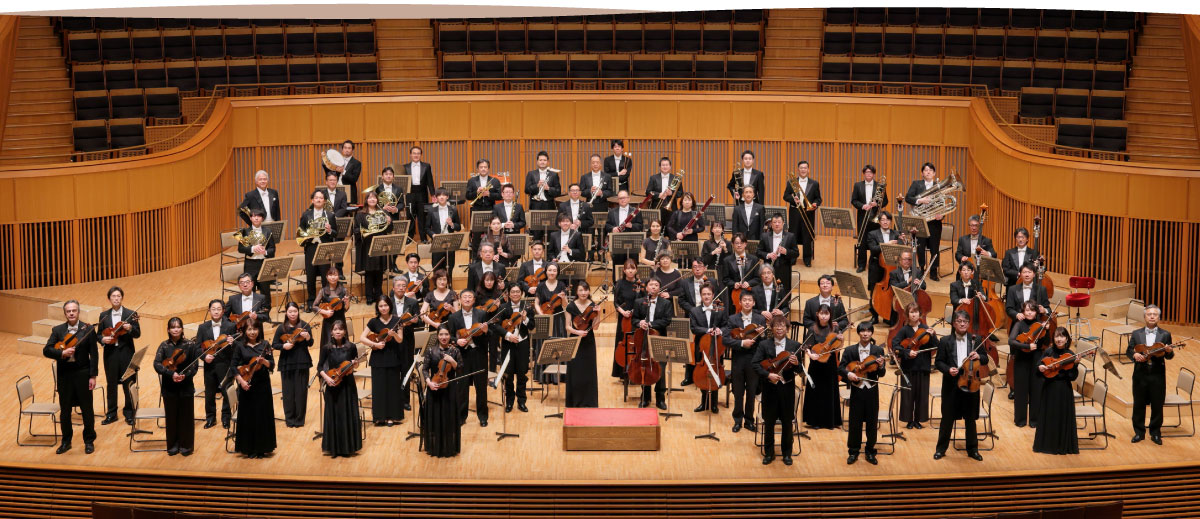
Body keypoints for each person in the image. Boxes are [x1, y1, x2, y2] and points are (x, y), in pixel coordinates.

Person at [43, 300, 98, 455]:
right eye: (69, 311)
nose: (72, 313)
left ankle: (89, 441)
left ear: (78, 312)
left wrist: (93, 376)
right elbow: (46, 350)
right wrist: (62, 353)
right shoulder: (57, 330)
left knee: (87, 409)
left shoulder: (88, 329)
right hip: (65, 375)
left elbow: (94, 354)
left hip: (83, 373)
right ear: (65, 313)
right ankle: (66, 441)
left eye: (74, 310)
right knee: (65, 411)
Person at [934, 311, 986, 461]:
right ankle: (941, 449)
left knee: (970, 420)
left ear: (968, 324)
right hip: (951, 385)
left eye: (965, 321)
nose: (962, 323)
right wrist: (948, 370)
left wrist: (979, 356)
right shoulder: (945, 341)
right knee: (947, 419)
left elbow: (985, 359)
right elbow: (938, 362)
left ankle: (973, 450)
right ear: (954, 323)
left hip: (971, 385)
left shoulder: (976, 340)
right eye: (959, 321)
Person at [752, 315, 800, 465]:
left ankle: (787, 454)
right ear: (772, 328)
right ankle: (769, 453)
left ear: (787, 328)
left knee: (787, 422)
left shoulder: (794, 345)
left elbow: (800, 370)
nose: (779, 328)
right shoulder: (764, 345)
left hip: (787, 389)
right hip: (770, 389)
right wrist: (768, 375)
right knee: (769, 422)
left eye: (782, 326)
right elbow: (755, 364)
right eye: (776, 326)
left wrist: (797, 363)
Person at [1127, 304, 1175, 445]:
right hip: (1140, 375)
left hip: (1157, 375)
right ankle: (1139, 432)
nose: (1152, 316)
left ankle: (1155, 433)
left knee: (1157, 405)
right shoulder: (1136, 333)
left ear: (1159, 317)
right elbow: (1129, 350)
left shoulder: (1165, 334)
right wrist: (1134, 355)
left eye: (1155, 314)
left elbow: (1169, 356)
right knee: (1138, 404)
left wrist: (1169, 351)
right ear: (1144, 317)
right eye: (1149, 314)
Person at [840, 321, 884, 465]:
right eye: (863, 331)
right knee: (855, 422)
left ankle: (870, 451)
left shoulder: (878, 350)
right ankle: (853, 451)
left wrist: (881, 366)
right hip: (857, 390)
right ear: (858, 333)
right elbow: (841, 368)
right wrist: (849, 374)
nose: (865, 333)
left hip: (872, 390)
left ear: (872, 333)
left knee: (872, 422)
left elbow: (881, 373)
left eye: (868, 331)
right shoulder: (850, 350)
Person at [231, 317, 276, 458]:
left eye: (255, 329)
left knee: (262, 416)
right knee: (248, 416)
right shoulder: (240, 346)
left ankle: (262, 448)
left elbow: (272, 365)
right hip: (247, 386)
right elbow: (233, 366)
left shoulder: (265, 344)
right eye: (249, 329)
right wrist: (241, 382)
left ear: (259, 330)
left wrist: (264, 361)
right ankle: (249, 448)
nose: (252, 332)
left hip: (262, 386)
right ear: (245, 331)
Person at [153, 317, 198, 456]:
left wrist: (185, 375)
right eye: (173, 327)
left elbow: (194, 365)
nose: (176, 329)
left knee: (186, 417)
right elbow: (157, 364)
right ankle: (173, 445)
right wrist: (170, 373)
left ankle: (186, 446)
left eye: (178, 327)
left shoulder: (190, 345)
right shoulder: (164, 345)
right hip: (169, 387)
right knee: (171, 417)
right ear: (168, 330)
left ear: (182, 329)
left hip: (186, 386)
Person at [319, 320, 363, 458]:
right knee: (334, 414)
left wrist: (355, 364)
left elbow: (355, 365)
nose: (338, 331)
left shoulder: (351, 347)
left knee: (347, 413)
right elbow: (319, 367)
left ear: (345, 332)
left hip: (348, 384)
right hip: (332, 383)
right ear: (331, 332)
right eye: (335, 329)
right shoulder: (326, 348)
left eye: (340, 329)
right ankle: (334, 447)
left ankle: (348, 447)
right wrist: (327, 379)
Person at [1033, 328, 1079, 455]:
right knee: (1049, 416)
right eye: (1057, 336)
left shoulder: (1070, 354)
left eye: (1062, 336)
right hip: (1049, 388)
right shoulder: (1049, 351)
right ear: (1053, 338)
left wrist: (1075, 364)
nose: (1059, 339)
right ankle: (1047, 445)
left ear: (1067, 339)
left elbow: (1072, 377)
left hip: (1064, 390)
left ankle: (1061, 445)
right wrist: (1040, 367)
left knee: (1062, 417)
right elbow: (1038, 366)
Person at [360, 297, 405, 426]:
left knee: (392, 388)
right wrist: (375, 344)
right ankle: (380, 416)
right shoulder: (373, 321)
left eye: (385, 305)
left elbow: (400, 340)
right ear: (377, 308)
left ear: (390, 306)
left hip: (393, 357)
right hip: (378, 358)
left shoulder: (397, 320)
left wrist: (394, 334)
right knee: (379, 388)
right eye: (381, 306)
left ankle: (392, 417)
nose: (383, 308)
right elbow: (362, 338)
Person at [725, 291, 766, 433]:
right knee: (738, 392)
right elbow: (726, 340)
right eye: (744, 300)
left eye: (750, 300)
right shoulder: (732, 319)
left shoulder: (760, 319)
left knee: (751, 391)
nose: (747, 302)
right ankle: (737, 420)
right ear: (740, 302)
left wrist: (762, 335)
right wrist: (742, 343)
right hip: (738, 359)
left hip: (754, 360)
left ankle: (749, 420)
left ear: (754, 303)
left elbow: (765, 343)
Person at [98, 286, 139, 425]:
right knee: (111, 384)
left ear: (122, 298)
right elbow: (99, 334)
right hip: (110, 354)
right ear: (109, 299)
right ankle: (111, 414)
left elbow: (137, 334)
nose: (116, 298)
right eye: (113, 296)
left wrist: (130, 328)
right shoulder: (103, 316)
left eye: (118, 296)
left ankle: (129, 413)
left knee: (128, 382)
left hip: (126, 353)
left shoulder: (131, 314)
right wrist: (103, 340)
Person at [448, 290, 489, 427]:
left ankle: (483, 416)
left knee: (481, 387)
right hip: (462, 355)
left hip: (479, 354)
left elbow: (490, 334)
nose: (467, 299)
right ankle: (461, 416)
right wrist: (457, 341)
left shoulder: (482, 314)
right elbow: (449, 336)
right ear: (460, 300)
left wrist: (485, 331)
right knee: (462, 387)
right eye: (464, 297)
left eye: (469, 297)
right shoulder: (453, 317)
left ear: (474, 300)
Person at [422, 326, 463, 457]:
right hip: (434, 388)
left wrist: (452, 361)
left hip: (449, 388)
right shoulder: (431, 350)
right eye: (441, 334)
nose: (444, 337)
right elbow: (424, 369)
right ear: (437, 336)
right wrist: (429, 382)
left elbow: (460, 369)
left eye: (446, 334)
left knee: (449, 417)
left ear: (450, 336)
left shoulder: (455, 351)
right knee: (435, 417)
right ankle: (435, 447)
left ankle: (449, 447)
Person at [890, 303, 933, 429]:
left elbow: (935, 346)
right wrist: (907, 352)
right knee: (907, 396)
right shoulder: (904, 330)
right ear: (907, 315)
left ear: (920, 313)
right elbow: (895, 345)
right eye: (911, 312)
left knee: (922, 395)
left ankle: (918, 420)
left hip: (923, 367)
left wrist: (932, 335)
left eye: (916, 312)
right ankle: (909, 420)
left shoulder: (926, 329)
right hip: (908, 367)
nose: (914, 315)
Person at [633, 278, 672, 409]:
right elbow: (634, 319)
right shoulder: (639, 302)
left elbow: (667, 320)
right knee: (644, 366)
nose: (654, 287)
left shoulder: (666, 303)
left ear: (659, 288)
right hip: (643, 340)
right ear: (646, 287)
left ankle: (660, 399)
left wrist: (651, 324)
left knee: (660, 368)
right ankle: (645, 397)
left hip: (659, 339)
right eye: (651, 285)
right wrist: (640, 323)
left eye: (656, 285)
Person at [272, 302, 314, 428]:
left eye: (295, 311)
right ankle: (290, 419)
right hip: (287, 362)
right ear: (286, 312)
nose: (292, 314)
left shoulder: (304, 325)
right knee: (288, 393)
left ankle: (299, 419)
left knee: (301, 392)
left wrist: (308, 337)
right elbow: (274, 344)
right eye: (290, 311)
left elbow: (311, 343)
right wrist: (283, 346)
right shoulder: (281, 328)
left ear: (298, 312)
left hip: (302, 362)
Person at [1008, 301, 1049, 428]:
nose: (1029, 312)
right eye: (1027, 310)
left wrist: (1047, 330)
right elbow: (1011, 341)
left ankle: (1034, 420)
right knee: (1020, 390)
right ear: (1023, 312)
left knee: (1036, 390)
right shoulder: (1019, 323)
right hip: (1021, 359)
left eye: (1032, 310)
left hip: (1036, 359)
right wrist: (1027, 346)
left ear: (1036, 312)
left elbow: (1046, 342)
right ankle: (1020, 420)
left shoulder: (1040, 325)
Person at [197, 299, 236, 429]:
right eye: (213, 309)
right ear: (209, 311)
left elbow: (237, 347)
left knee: (226, 391)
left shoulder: (230, 326)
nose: (216, 311)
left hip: (225, 364)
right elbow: (197, 348)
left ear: (223, 311)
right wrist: (204, 357)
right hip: (209, 365)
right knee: (209, 393)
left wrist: (233, 343)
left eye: (219, 309)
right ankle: (210, 418)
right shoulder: (202, 327)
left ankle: (226, 418)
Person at [804, 305, 843, 430]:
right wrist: (811, 355)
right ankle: (815, 421)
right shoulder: (812, 328)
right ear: (817, 314)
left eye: (826, 314)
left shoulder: (835, 328)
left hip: (830, 363)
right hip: (816, 363)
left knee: (829, 391)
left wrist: (841, 340)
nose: (824, 316)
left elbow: (838, 347)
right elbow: (806, 346)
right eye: (822, 313)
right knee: (816, 391)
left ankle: (830, 421)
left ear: (830, 315)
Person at [299, 189, 339, 311]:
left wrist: (329, 230)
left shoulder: (330, 215)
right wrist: (307, 236)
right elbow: (300, 232)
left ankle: (326, 301)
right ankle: (311, 302)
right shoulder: (306, 215)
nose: (318, 200)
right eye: (316, 198)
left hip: (324, 248)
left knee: (325, 276)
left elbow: (335, 233)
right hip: (311, 248)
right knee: (310, 276)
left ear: (324, 201)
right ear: (312, 200)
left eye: (321, 198)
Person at [497, 284, 535, 412]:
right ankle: (509, 401)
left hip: (523, 344)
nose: (515, 294)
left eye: (518, 291)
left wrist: (525, 318)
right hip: (508, 344)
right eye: (512, 292)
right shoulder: (503, 307)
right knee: (508, 375)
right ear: (508, 294)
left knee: (522, 374)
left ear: (522, 293)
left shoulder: (527, 307)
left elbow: (532, 326)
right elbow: (497, 326)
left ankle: (521, 401)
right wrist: (508, 335)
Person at [564, 281, 602, 408]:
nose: (583, 293)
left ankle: (589, 402)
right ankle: (574, 402)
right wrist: (578, 332)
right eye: (581, 290)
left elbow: (595, 327)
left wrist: (599, 313)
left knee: (588, 372)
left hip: (588, 341)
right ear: (576, 291)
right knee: (575, 372)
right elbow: (567, 327)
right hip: (575, 341)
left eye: (586, 290)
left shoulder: (593, 305)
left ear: (589, 291)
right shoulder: (570, 306)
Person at [689, 284, 725, 414]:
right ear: (700, 295)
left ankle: (714, 403)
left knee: (715, 373)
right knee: (702, 373)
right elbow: (694, 328)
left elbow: (727, 325)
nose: (706, 296)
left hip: (717, 347)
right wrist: (707, 330)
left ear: (713, 295)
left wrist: (720, 330)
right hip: (701, 347)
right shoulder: (694, 311)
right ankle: (704, 402)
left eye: (709, 294)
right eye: (704, 294)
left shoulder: (720, 310)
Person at [904, 162, 945, 280]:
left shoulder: (939, 185)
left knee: (934, 248)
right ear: (922, 173)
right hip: (920, 221)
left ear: (934, 173)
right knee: (920, 247)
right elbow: (908, 198)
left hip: (934, 222)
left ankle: (933, 271)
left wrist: (941, 215)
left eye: (931, 170)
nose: (928, 172)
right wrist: (920, 200)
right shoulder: (916, 184)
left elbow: (942, 204)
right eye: (926, 170)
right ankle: (921, 269)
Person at [677, 259, 712, 386]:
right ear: (692, 269)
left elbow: (717, 298)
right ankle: (689, 376)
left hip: (708, 317)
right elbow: (681, 300)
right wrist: (693, 310)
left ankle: (705, 374)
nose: (697, 269)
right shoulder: (685, 282)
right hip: (692, 317)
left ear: (705, 268)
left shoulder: (712, 281)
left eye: (700, 266)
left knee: (706, 346)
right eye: (694, 266)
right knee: (691, 347)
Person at [354, 191, 393, 303]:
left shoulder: (383, 212)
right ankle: (369, 296)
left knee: (379, 271)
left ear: (377, 200)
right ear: (366, 200)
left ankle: (378, 295)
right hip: (367, 245)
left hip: (380, 244)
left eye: (374, 198)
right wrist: (364, 232)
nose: (372, 200)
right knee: (369, 272)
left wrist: (389, 222)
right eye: (370, 198)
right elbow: (356, 229)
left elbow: (389, 229)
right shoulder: (360, 214)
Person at [782, 160, 821, 267]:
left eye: (805, 168)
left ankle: (807, 259)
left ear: (808, 170)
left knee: (807, 236)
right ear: (798, 170)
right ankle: (792, 257)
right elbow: (785, 196)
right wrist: (793, 200)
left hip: (808, 213)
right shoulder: (792, 182)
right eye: (801, 168)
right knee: (793, 235)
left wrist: (815, 204)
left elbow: (818, 198)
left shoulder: (814, 183)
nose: (803, 170)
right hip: (795, 212)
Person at [865, 211, 899, 325]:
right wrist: (887, 244)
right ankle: (874, 316)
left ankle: (887, 315)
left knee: (890, 293)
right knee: (874, 291)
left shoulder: (896, 234)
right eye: (883, 220)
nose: (885, 222)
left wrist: (903, 241)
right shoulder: (872, 234)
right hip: (876, 266)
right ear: (879, 222)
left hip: (891, 268)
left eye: (887, 220)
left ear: (890, 221)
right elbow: (873, 249)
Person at [851, 165, 887, 273]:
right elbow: (854, 200)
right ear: (864, 174)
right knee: (862, 241)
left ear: (874, 174)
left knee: (875, 241)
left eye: (871, 172)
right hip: (862, 216)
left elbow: (885, 201)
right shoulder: (858, 185)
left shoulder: (880, 186)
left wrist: (877, 204)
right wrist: (863, 206)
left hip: (875, 217)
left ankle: (874, 264)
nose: (868, 174)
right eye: (867, 172)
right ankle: (861, 265)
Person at [237, 208, 276, 307]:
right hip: (250, 265)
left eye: (258, 216)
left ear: (262, 218)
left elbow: (272, 249)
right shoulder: (245, 231)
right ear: (250, 218)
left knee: (265, 290)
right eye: (254, 216)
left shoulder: (268, 231)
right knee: (250, 291)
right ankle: (252, 312)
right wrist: (252, 248)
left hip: (263, 264)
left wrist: (265, 252)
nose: (256, 218)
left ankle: (266, 312)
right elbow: (240, 248)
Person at [605, 190, 644, 282]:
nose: (622, 200)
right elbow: (607, 226)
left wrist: (632, 226)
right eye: (620, 198)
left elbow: (640, 226)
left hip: (632, 243)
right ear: (618, 200)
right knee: (617, 265)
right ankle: (616, 286)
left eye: (624, 198)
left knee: (632, 266)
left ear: (628, 199)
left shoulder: (636, 211)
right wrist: (613, 229)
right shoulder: (612, 212)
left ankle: (633, 286)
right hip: (617, 243)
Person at [612, 259, 641, 378]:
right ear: (624, 270)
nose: (630, 271)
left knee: (636, 344)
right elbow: (615, 302)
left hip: (636, 318)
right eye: (628, 268)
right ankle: (622, 372)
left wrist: (633, 311)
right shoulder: (619, 283)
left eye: (633, 268)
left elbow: (641, 301)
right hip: (623, 318)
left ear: (636, 270)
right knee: (622, 344)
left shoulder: (639, 284)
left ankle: (635, 372)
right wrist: (623, 312)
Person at [758, 214, 799, 294]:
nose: (777, 224)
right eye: (774, 222)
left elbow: (796, 253)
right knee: (769, 290)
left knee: (785, 290)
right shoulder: (765, 236)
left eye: (779, 222)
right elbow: (758, 252)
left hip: (784, 268)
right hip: (769, 267)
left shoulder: (790, 236)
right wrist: (768, 255)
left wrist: (786, 251)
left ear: (783, 223)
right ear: (771, 224)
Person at [426, 187, 462, 273]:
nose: (441, 197)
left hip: (450, 241)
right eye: (439, 195)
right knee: (436, 267)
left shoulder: (453, 209)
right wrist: (433, 235)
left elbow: (458, 227)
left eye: (444, 195)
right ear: (436, 198)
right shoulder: (431, 210)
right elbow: (426, 228)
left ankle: (449, 281)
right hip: (437, 241)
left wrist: (452, 224)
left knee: (450, 266)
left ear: (447, 197)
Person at [720, 233, 760, 310]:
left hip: (750, 293)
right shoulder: (727, 260)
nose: (739, 245)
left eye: (741, 243)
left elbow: (757, 278)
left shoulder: (754, 259)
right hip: (734, 294)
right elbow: (725, 279)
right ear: (732, 244)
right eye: (736, 243)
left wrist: (749, 283)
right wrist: (733, 284)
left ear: (745, 244)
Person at [887, 251, 926, 326]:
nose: (907, 261)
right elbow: (894, 287)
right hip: (900, 303)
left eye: (909, 259)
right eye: (905, 259)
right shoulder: (894, 273)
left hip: (914, 301)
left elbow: (924, 287)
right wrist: (908, 281)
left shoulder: (917, 272)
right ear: (900, 260)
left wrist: (920, 283)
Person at [406, 145, 435, 243]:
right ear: (410, 155)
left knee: (422, 216)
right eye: (414, 153)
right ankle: (410, 237)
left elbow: (430, 181)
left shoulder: (426, 166)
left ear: (421, 155)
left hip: (422, 193)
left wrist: (433, 194)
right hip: (409, 194)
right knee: (410, 216)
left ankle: (423, 237)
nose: (416, 155)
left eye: (418, 153)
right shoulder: (405, 167)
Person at [954, 215, 997, 281]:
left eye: (976, 225)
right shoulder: (962, 239)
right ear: (969, 226)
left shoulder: (986, 240)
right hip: (966, 270)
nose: (974, 228)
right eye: (972, 225)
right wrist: (961, 257)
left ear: (979, 226)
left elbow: (994, 254)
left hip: (981, 271)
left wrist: (988, 254)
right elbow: (958, 254)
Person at [315, 267, 348, 347]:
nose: (333, 277)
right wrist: (325, 312)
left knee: (342, 344)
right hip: (328, 322)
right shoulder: (323, 291)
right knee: (328, 344)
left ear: (338, 276)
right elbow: (314, 306)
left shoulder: (344, 290)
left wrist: (347, 302)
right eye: (330, 275)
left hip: (340, 320)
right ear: (327, 277)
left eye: (335, 275)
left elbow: (346, 309)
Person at [322, 139, 362, 204]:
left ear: (352, 150)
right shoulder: (335, 160)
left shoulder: (357, 163)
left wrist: (343, 171)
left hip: (349, 191)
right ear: (342, 149)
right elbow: (328, 173)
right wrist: (325, 160)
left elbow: (354, 179)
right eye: (345, 148)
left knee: (348, 209)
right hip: (335, 189)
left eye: (349, 148)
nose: (347, 150)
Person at [559, 184, 596, 251]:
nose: (575, 192)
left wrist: (581, 223)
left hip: (582, 234)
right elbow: (557, 222)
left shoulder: (586, 206)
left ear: (580, 193)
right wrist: (568, 226)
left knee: (580, 253)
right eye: (573, 190)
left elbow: (591, 222)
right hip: (566, 234)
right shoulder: (562, 206)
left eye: (577, 190)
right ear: (569, 193)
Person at [646, 157, 681, 224]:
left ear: (670, 166)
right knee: (658, 227)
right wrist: (658, 195)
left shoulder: (676, 178)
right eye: (663, 165)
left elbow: (680, 193)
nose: (665, 167)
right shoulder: (653, 178)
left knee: (671, 227)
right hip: (657, 207)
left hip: (672, 208)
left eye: (667, 165)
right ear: (660, 166)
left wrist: (671, 193)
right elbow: (648, 192)